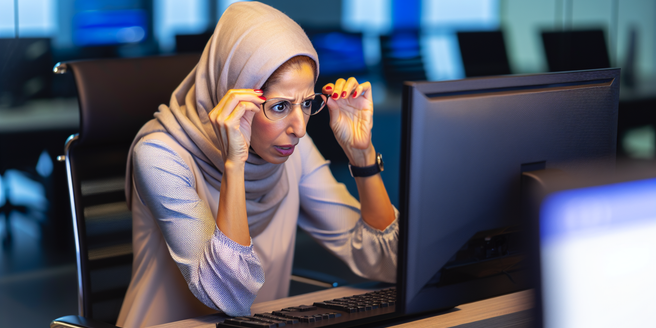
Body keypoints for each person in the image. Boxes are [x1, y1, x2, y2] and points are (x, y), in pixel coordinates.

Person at [117, 2, 398, 327]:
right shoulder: (159, 154)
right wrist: (233, 164)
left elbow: (389, 263)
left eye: (306, 103)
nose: (300, 128)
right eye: (279, 106)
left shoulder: (293, 149)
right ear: (232, 93)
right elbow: (230, 295)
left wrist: (361, 155)